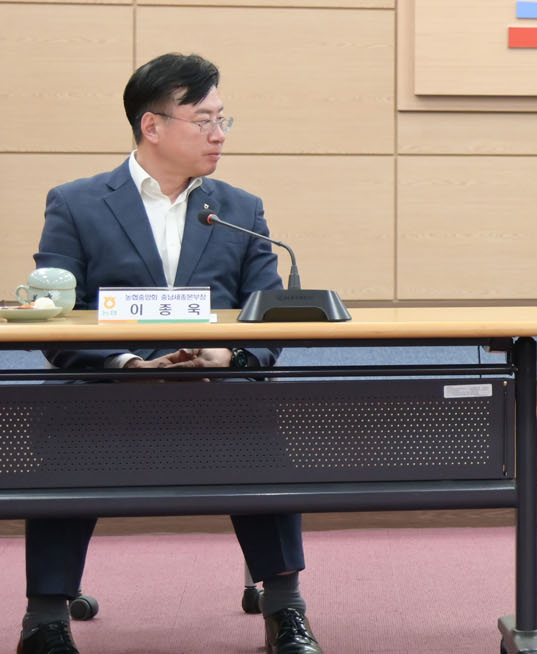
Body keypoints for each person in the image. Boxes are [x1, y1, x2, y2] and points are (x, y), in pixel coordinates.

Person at [17, 53, 321, 654]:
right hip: (108, 392)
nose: (218, 134)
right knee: (63, 418)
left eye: (223, 119)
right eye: (203, 120)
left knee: (258, 417)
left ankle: (285, 608)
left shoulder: (240, 210)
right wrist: (129, 366)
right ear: (151, 126)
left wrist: (229, 360)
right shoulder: (77, 204)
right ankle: (45, 617)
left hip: (216, 392)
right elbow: (54, 320)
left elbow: (269, 315)